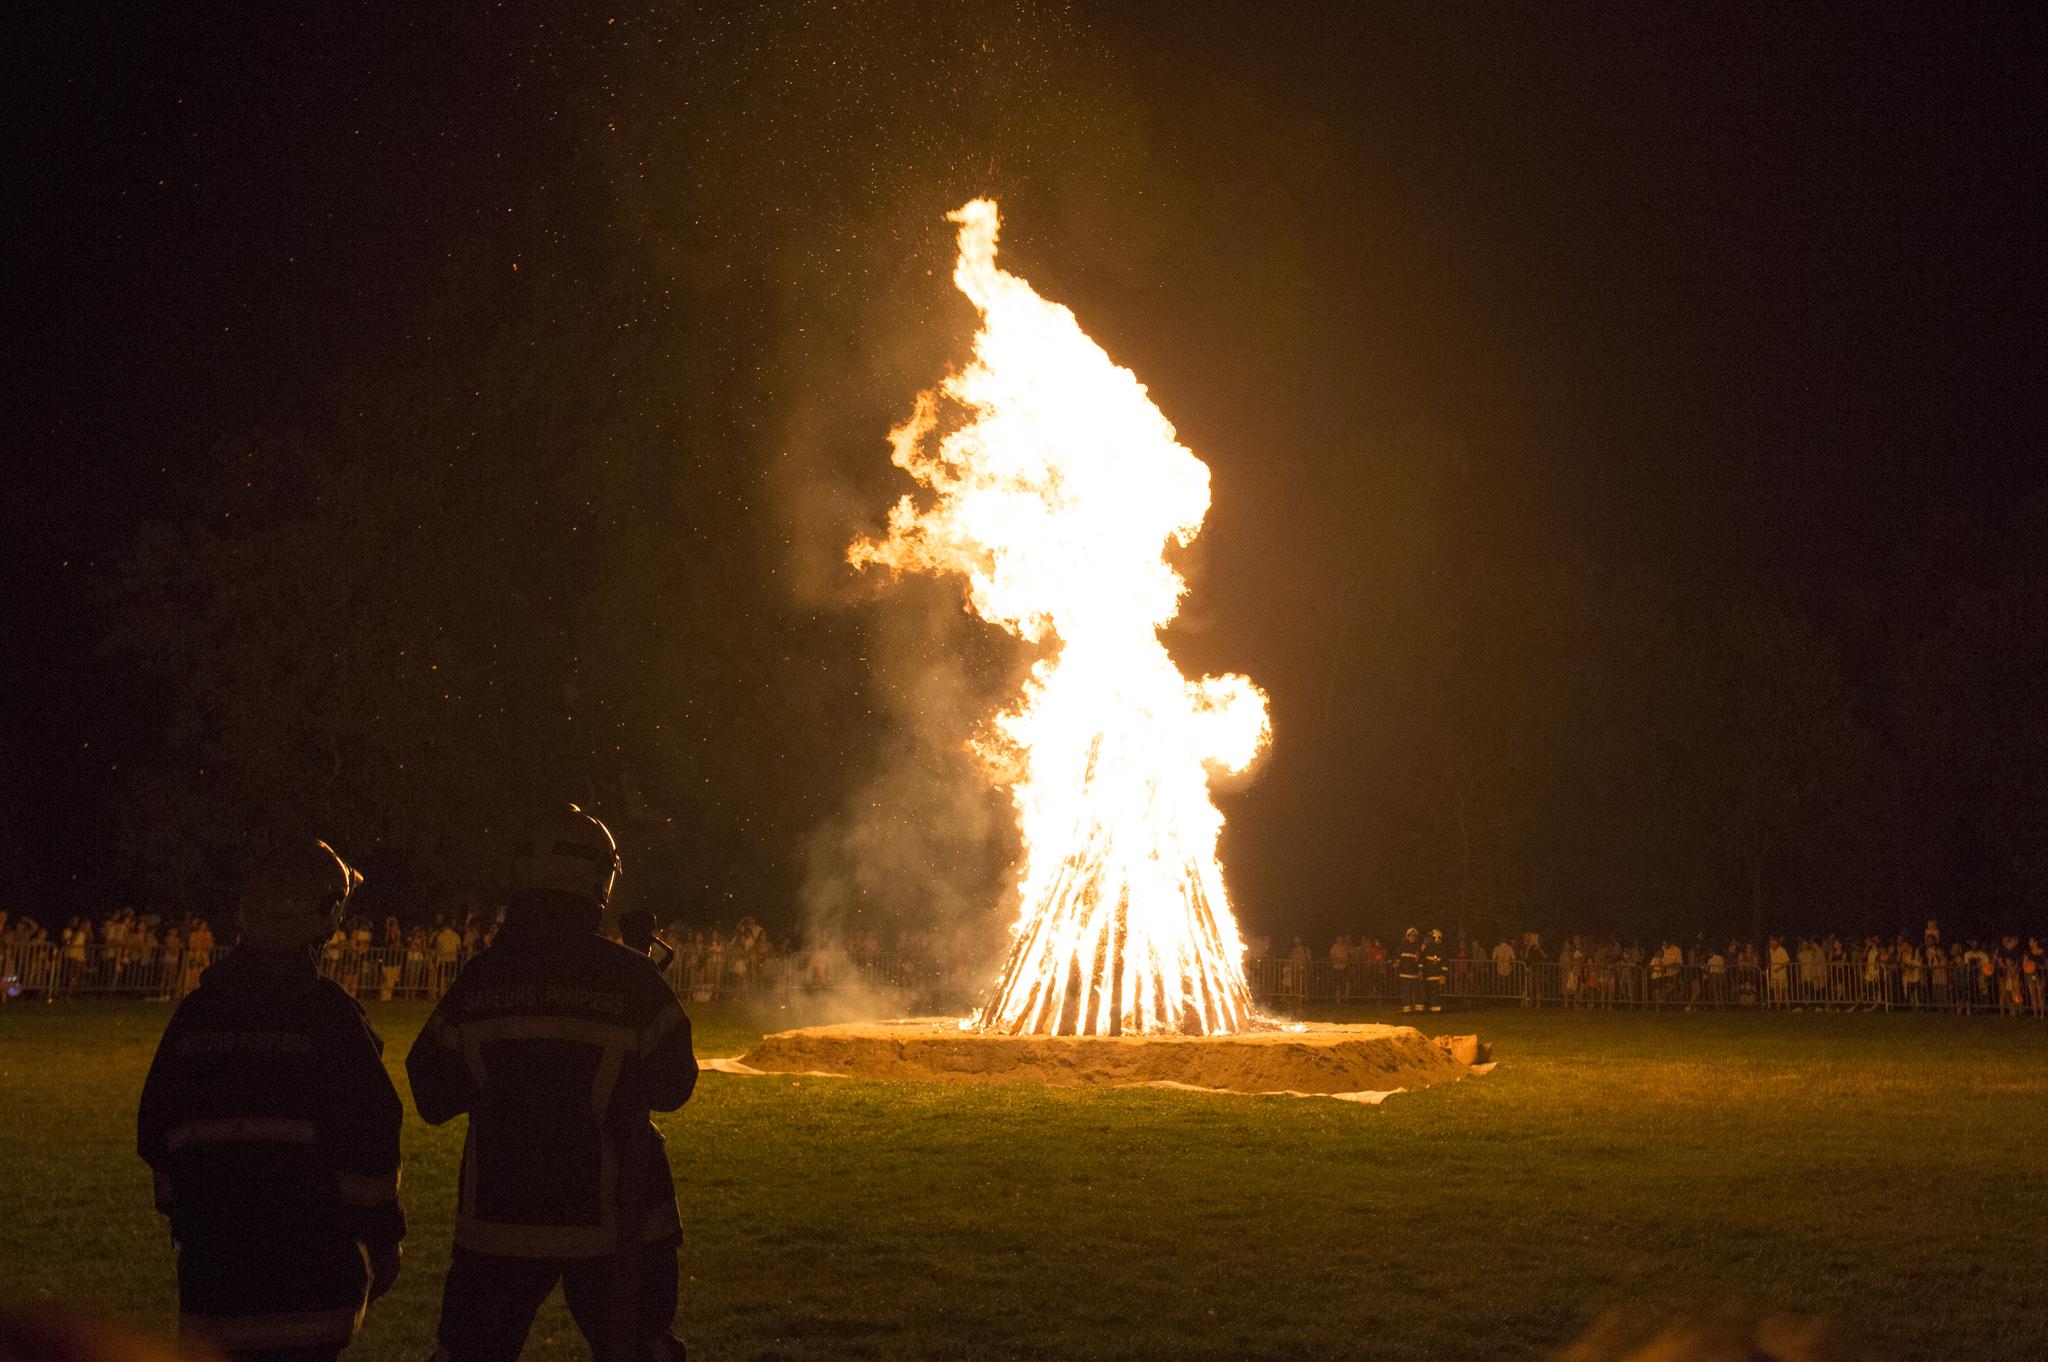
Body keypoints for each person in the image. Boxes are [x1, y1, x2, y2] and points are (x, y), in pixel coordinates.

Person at [408, 805, 696, 1362]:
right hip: (614, 1222)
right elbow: (675, 1085)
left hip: (498, 1221)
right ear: (599, 880)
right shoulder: (630, 977)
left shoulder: (482, 978)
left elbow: (431, 1093)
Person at [137, 839, 404, 1362]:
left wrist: (194, 1214)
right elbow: (372, 1136)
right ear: (325, 919)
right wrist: (383, 1239)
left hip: (213, 1288)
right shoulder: (330, 1017)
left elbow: (155, 1133)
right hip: (311, 1285)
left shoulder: (196, 1015)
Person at [1421, 928, 1447, 1013]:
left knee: (1435, 994)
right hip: (1428, 975)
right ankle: (1429, 1008)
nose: (1427, 939)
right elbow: (1422, 961)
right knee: (1428, 993)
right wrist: (1421, 971)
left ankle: (1436, 1009)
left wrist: (1443, 974)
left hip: (1436, 976)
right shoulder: (1427, 948)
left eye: (1430, 937)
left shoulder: (1441, 949)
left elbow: (1444, 963)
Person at [1396, 928, 1422, 1013]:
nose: (1412, 938)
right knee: (1406, 993)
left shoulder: (1418, 948)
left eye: (1414, 936)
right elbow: (1398, 959)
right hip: (1404, 974)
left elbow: (1420, 961)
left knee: (1417, 992)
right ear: (1407, 936)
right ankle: (1407, 1009)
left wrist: (1420, 970)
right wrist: (1396, 964)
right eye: (1411, 936)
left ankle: (1418, 1009)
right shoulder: (1402, 947)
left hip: (1415, 974)